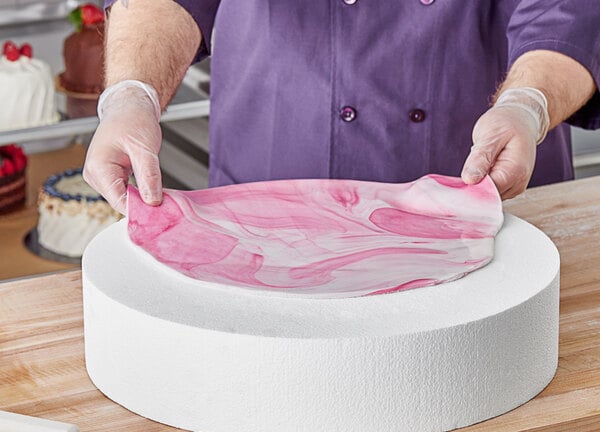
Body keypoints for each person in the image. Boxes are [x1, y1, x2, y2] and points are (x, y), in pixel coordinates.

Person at [84, 0, 600, 214]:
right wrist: (134, 93)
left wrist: (528, 102)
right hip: (271, 198)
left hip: (487, 189)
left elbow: (567, 7)